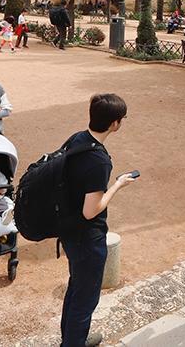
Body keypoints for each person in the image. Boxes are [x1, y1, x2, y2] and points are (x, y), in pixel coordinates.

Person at [58, 93, 136, 347]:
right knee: (86, 298)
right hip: (86, 236)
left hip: (68, 228)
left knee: (76, 288)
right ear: (115, 123)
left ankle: (72, 339)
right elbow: (91, 210)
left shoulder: (77, 138)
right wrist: (118, 185)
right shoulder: (98, 161)